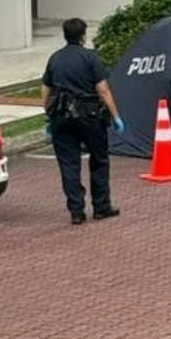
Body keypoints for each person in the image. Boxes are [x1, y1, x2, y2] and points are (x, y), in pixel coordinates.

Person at [41, 18, 125, 225]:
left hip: (61, 115)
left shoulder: (55, 58)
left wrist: (48, 114)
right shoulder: (90, 58)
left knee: (69, 163)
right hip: (89, 115)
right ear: (83, 35)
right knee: (99, 159)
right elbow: (103, 89)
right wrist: (116, 116)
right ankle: (101, 206)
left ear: (64, 34)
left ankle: (76, 210)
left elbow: (45, 89)